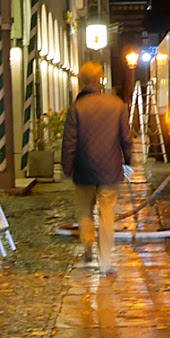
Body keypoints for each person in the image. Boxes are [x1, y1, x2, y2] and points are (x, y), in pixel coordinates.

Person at [61, 61, 132, 273]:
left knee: (84, 212)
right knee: (106, 213)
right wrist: (128, 162)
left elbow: (69, 142)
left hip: (83, 170)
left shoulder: (77, 108)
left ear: (81, 81)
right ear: (101, 79)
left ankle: (88, 249)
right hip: (110, 170)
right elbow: (126, 138)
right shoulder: (117, 105)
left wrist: (67, 168)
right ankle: (105, 263)